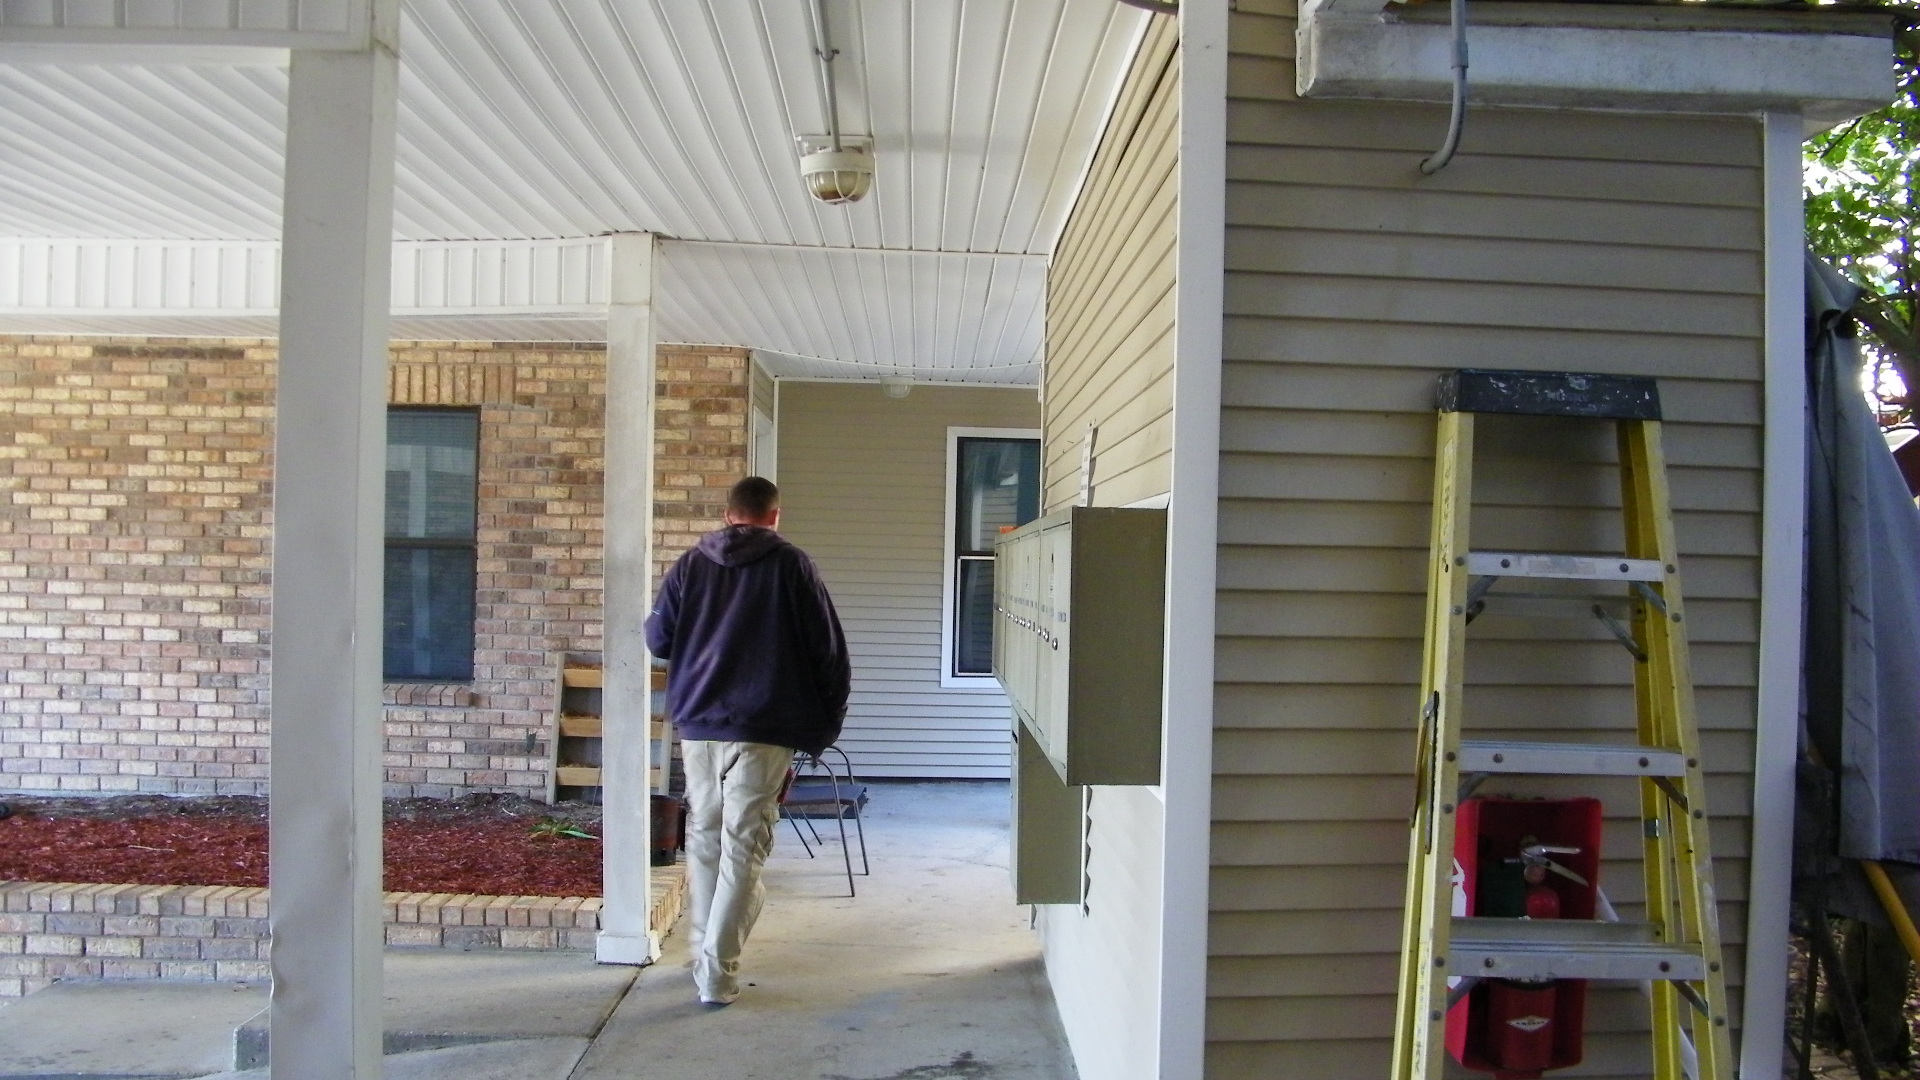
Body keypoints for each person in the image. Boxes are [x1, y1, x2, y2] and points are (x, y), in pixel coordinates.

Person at [644, 476, 851, 1006]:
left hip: (699, 726)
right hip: (765, 728)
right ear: (774, 516)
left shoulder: (690, 564)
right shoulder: (793, 566)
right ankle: (717, 974)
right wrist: (825, 726)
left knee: (706, 837)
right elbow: (828, 652)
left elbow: (658, 639)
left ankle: (704, 954)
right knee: (742, 844)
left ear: (727, 514)